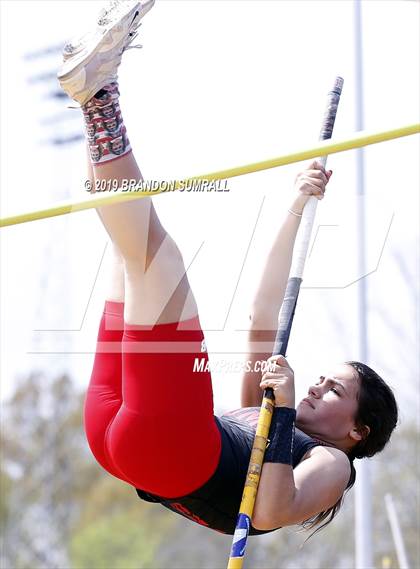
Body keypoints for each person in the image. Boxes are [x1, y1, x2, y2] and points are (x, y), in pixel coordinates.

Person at [57, 0, 398, 537]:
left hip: (168, 452)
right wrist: (295, 206)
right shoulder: (259, 415)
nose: (314, 387)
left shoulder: (332, 464)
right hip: (128, 443)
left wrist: (283, 409)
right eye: (322, 381)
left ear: (359, 430)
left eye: (333, 390)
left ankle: (98, 96)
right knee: (132, 259)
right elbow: (262, 311)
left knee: (158, 261)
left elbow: (266, 512)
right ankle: (94, 100)